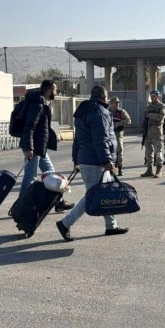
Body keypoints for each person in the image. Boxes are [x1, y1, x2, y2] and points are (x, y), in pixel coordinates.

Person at [55, 85, 128, 241]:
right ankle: (65, 223)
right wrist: (107, 161)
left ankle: (111, 225)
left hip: (87, 160)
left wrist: (76, 159)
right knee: (92, 196)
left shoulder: (83, 111)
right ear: (103, 97)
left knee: (105, 193)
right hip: (96, 162)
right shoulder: (100, 113)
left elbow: (77, 139)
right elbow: (100, 140)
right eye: (106, 97)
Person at [20, 79, 74, 212]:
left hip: (39, 146)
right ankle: (21, 206)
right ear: (49, 91)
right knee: (30, 177)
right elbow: (29, 128)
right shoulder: (37, 105)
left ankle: (58, 202)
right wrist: (29, 147)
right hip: (33, 147)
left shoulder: (41, 103)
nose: (56, 92)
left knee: (50, 172)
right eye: (55, 90)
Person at [140, 90, 165, 178]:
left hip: (157, 132)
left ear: (158, 97)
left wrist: (150, 115)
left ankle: (159, 169)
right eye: (151, 96)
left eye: (154, 96)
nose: (152, 98)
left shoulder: (162, 106)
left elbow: (160, 117)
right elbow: (144, 117)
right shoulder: (148, 107)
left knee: (158, 151)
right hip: (148, 131)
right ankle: (149, 169)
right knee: (148, 152)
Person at [108, 96, 131, 176]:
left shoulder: (121, 112)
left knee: (119, 151)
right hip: (109, 135)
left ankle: (120, 168)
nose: (117, 104)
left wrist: (119, 123)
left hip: (118, 134)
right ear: (111, 103)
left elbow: (128, 120)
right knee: (109, 151)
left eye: (118, 103)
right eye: (115, 103)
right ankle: (112, 168)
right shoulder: (107, 112)